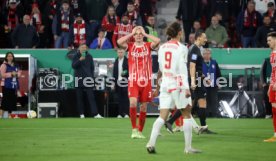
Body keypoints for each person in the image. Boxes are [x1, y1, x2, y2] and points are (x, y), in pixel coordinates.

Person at [146, 22, 201, 154]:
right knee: (187, 114)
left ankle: (151, 143)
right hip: (178, 84)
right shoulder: (182, 48)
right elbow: (182, 69)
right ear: (179, 33)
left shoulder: (162, 47)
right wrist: (186, 87)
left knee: (162, 116)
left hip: (165, 82)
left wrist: (158, 87)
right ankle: (188, 148)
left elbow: (160, 69)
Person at [117, 26, 160, 139]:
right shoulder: (130, 46)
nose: (139, 35)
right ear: (134, 36)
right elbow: (119, 41)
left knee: (144, 107)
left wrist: (145, 34)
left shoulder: (147, 45)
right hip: (134, 81)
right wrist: (131, 33)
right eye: (137, 34)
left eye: (140, 34)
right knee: (132, 103)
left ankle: (140, 131)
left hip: (146, 81)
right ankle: (134, 129)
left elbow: (157, 40)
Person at [72, 43, 103, 119]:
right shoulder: (76, 56)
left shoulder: (89, 56)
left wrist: (92, 78)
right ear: (79, 48)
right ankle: (81, 114)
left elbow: (92, 68)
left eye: (85, 47)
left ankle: (95, 114)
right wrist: (79, 60)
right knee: (79, 97)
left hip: (88, 79)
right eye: (82, 47)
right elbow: (73, 66)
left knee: (91, 97)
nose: (83, 48)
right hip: (78, 79)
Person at [0, 52, 21, 118]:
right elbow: (2, 75)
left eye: (11, 56)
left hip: (14, 86)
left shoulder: (16, 65)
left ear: (13, 57)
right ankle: (0, 115)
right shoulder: (4, 65)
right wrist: (11, 74)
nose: (10, 57)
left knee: (12, 101)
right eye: (8, 56)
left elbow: (19, 74)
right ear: (6, 57)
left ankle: (9, 116)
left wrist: (16, 74)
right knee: (5, 101)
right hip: (6, 85)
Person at [202, 48, 221, 117]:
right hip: (203, 85)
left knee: (214, 101)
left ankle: (214, 115)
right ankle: (206, 115)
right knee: (205, 101)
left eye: (208, 54)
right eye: (205, 54)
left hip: (213, 85)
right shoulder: (200, 63)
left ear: (210, 55)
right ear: (203, 55)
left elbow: (218, 73)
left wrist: (219, 83)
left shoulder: (214, 62)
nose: (207, 55)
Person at [264, 31, 276, 142]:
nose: (268, 43)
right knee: (274, 110)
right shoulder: (272, 54)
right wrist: (270, 86)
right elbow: (273, 71)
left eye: (270, 40)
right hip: (273, 85)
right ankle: (275, 135)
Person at [113, 48, 129, 118]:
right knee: (119, 98)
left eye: (121, 52)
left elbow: (130, 70)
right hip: (118, 82)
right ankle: (120, 113)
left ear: (124, 53)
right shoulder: (116, 61)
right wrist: (113, 83)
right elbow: (114, 73)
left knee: (125, 98)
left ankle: (126, 113)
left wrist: (125, 72)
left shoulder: (127, 61)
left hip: (125, 81)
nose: (120, 53)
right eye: (119, 52)